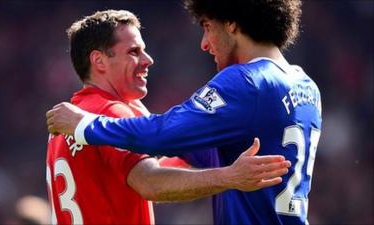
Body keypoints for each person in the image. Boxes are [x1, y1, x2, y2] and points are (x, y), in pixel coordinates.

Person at [46, 0, 322, 224]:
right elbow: (213, 152)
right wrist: (226, 173)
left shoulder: (244, 80)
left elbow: (164, 135)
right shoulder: (308, 88)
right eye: (134, 51)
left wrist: (87, 126)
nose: (204, 43)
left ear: (231, 23)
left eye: (206, 26)